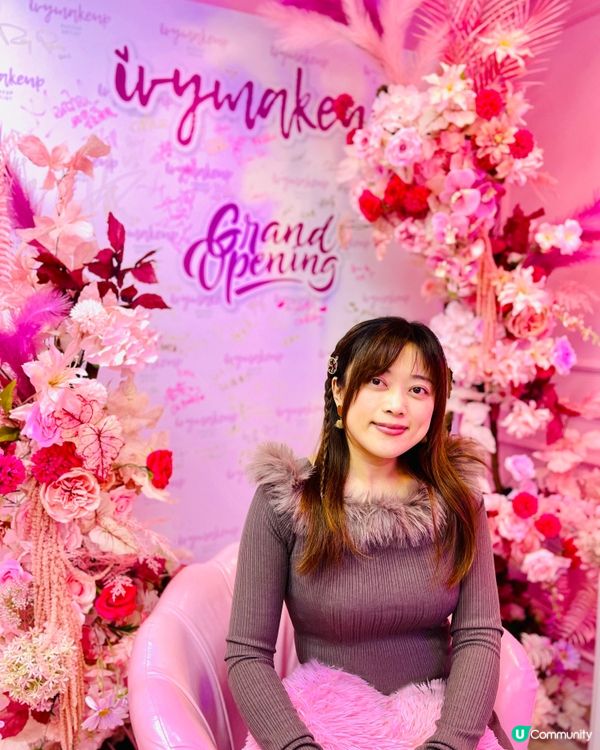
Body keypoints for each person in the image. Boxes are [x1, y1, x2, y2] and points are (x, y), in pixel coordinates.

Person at [224, 316, 514, 750]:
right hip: (323, 725)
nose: (397, 405)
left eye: (418, 390)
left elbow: (478, 635)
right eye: (377, 381)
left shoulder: (457, 503)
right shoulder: (285, 502)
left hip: (440, 722)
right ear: (339, 391)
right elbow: (247, 653)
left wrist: (448, 743)